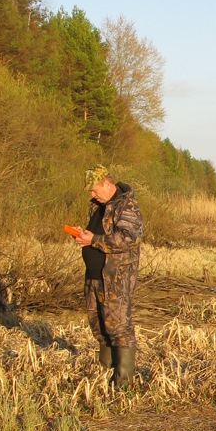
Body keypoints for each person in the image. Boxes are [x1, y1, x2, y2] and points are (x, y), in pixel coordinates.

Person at [70, 165, 143, 389]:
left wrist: (93, 240)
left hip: (116, 278)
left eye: (93, 190)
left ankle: (123, 384)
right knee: (100, 327)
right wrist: (83, 234)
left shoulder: (127, 205)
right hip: (94, 277)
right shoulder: (97, 206)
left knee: (119, 328)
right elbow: (100, 233)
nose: (91, 195)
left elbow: (127, 239)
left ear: (106, 183)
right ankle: (104, 376)